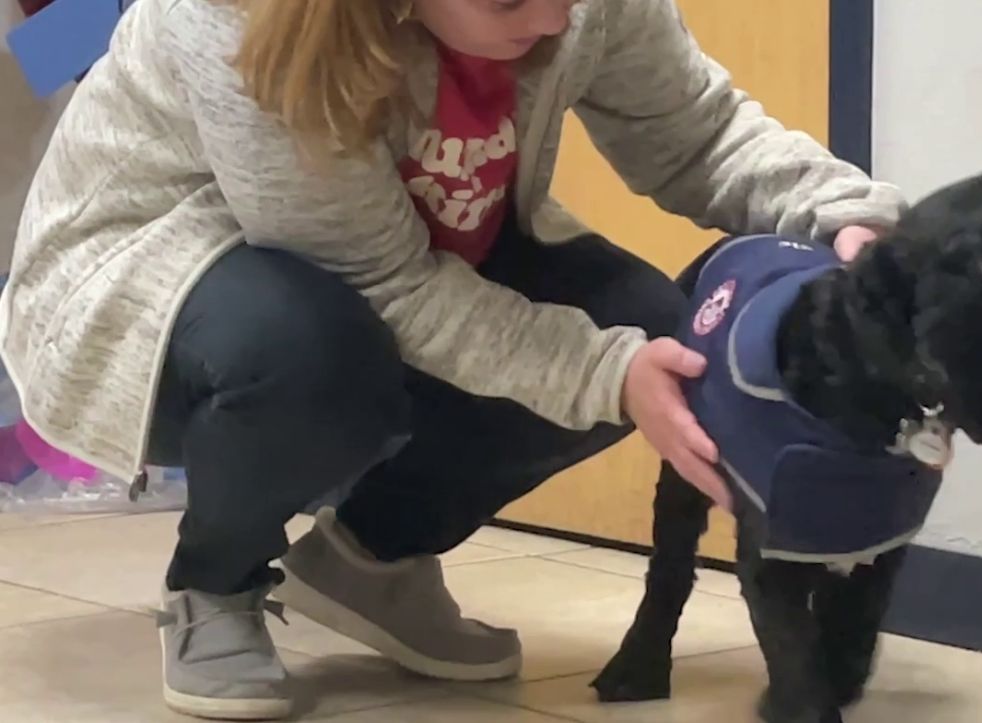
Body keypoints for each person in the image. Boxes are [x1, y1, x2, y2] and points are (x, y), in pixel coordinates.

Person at [1, 0, 904, 719]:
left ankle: (372, 562)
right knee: (317, 353)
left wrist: (841, 211)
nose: (555, 20)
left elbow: (698, 132)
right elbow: (382, 285)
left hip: (393, 261)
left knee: (641, 319)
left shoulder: (574, 3)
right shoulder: (238, 18)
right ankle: (213, 584)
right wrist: (603, 371)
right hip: (160, 279)